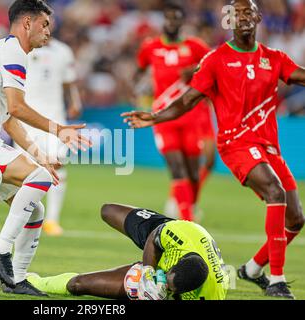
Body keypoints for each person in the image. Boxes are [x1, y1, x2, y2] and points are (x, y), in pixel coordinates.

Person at [122, 0, 305, 299]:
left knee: (296, 219)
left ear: (259, 17)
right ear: (228, 21)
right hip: (236, 144)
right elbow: (188, 99)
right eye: (237, 13)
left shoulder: (274, 58)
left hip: (270, 148)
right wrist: (155, 116)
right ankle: (276, 281)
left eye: (249, 12)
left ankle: (253, 269)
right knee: (275, 192)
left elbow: (301, 75)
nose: (243, 17)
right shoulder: (217, 59)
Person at [0, 0, 91, 296]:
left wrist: (41, 157)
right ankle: (0, 250)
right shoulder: (13, 51)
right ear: (27, 23)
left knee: (35, 209)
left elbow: (9, 119)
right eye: (45, 24)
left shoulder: (5, 51)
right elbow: (18, 107)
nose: (49, 31)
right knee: (38, 178)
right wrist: (58, 129)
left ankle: (15, 280)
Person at [0, 203, 229, 300]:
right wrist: (147, 272)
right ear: (175, 265)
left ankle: (29, 280)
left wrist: (150, 292)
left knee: (80, 285)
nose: (169, 284)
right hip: (163, 237)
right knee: (107, 211)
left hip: (167, 282)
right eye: (170, 281)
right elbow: (154, 239)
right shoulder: (180, 234)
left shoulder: (210, 295)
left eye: (173, 287)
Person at [133, 2, 214, 222]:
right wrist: (142, 90)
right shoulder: (150, 47)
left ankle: (189, 205)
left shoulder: (195, 46)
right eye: (168, 18)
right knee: (177, 168)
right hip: (163, 116)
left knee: (193, 172)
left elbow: (215, 65)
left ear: (182, 22)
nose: (172, 22)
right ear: (163, 20)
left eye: (176, 18)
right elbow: (138, 73)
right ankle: (187, 220)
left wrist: (196, 71)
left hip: (191, 116)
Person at [17, 35, 82, 236]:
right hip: (27, 118)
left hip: (55, 118)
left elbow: (68, 82)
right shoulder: (21, 47)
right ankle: (23, 216)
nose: (45, 26)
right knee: (24, 169)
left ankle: (52, 220)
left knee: (57, 164)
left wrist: (74, 101)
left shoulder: (63, 51)